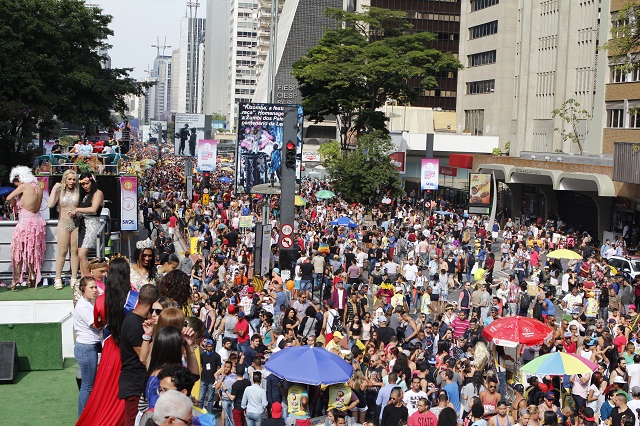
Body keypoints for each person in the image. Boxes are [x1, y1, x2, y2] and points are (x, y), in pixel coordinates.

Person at [77, 257, 139, 426]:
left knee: (104, 390)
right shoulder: (136, 298)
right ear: (127, 275)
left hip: (110, 349)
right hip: (132, 349)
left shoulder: (101, 300)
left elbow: (98, 324)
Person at [119, 284, 160, 426]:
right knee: (134, 421)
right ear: (152, 303)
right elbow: (145, 358)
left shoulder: (135, 320)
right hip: (134, 382)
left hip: (136, 381)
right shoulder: (134, 324)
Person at [7, 166, 46, 289]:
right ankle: (32, 276)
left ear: (19, 179)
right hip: (37, 221)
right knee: (33, 251)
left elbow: (9, 197)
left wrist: (13, 203)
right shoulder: (38, 188)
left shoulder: (24, 186)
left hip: (25, 222)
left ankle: (15, 279)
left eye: (16, 183)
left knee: (17, 251)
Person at [48, 169, 80, 291]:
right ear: (65, 179)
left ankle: (73, 278)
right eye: (69, 179)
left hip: (76, 224)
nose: (72, 181)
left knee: (74, 251)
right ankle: (57, 278)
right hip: (63, 223)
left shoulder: (78, 191)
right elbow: (50, 204)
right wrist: (54, 189)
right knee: (62, 252)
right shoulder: (60, 191)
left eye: (73, 179)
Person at [74, 277, 101, 418]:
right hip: (86, 348)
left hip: (89, 347)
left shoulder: (88, 303)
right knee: (87, 386)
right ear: (83, 289)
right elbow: (96, 325)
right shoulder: (83, 306)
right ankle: (83, 418)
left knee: (88, 385)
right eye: (91, 287)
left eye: (95, 287)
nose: (95, 290)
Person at [71, 173, 104, 278]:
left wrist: (77, 210)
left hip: (92, 224)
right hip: (82, 225)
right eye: (83, 184)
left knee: (82, 253)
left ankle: (87, 278)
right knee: (80, 253)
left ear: (92, 182)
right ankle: (83, 278)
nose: (85, 186)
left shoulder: (98, 193)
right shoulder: (83, 195)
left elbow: (93, 209)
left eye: (87, 183)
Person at [199, 339, 221, 413]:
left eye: (210, 346)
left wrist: (217, 378)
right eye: (207, 346)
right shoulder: (202, 355)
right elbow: (201, 366)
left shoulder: (217, 356)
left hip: (212, 380)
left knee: (210, 399)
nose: (209, 348)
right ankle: (199, 413)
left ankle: (210, 414)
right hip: (203, 379)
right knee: (201, 398)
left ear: (213, 346)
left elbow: (219, 368)